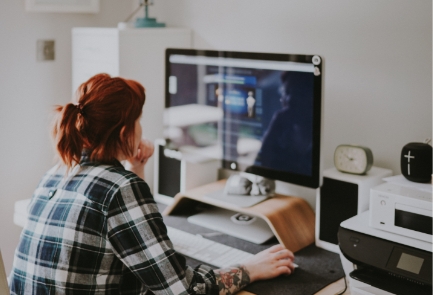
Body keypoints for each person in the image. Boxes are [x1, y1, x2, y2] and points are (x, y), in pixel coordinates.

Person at [9, 73, 296, 295]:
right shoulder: (120, 188)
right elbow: (183, 290)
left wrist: (136, 169)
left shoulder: (59, 171)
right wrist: (250, 269)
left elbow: (130, 236)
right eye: (139, 120)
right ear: (125, 131)